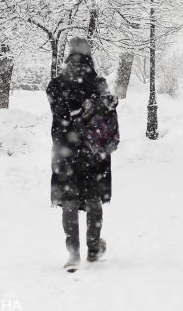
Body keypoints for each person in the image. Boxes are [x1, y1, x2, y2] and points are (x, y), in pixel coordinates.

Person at [46, 37, 119, 272]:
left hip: (65, 149)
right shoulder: (98, 83)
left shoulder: (56, 85)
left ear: (68, 54)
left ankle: (73, 252)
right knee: (93, 199)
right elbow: (107, 117)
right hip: (93, 151)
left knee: (69, 201)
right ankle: (94, 246)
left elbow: (59, 114)